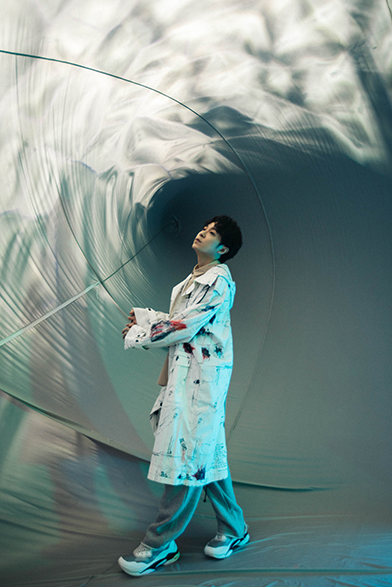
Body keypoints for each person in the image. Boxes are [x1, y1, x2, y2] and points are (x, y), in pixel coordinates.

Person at [118, 215, 248, 577]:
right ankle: (235, 529)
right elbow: (181, 320)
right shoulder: (188, 282)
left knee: (188, 458)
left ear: (222, 248)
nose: (202, 232)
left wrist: (137, 334)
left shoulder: (217, 281)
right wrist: (143, 319)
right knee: (205, 453)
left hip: (201, 382)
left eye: (211, 232)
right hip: (186, 376)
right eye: (203, 228)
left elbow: (184, 326)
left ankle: (159, 544)